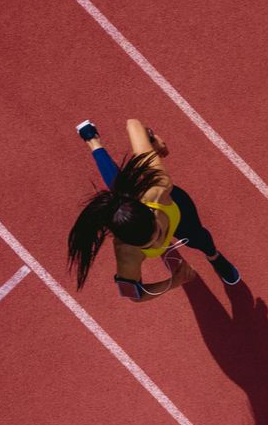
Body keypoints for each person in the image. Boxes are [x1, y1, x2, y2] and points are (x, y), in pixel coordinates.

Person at [67, 118, 240, 302]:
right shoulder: (126, 253)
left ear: (149, 213)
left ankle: (213, 256)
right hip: (153, 211)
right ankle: (91, 140)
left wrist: (152, 139)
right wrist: (173, 282)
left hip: (174, 205)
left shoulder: (159, 187)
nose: (159, 243)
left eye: (157, 233)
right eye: (148, 246)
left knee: (199, 237)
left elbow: (132, 124)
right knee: (118, 189)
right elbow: (134, 294)